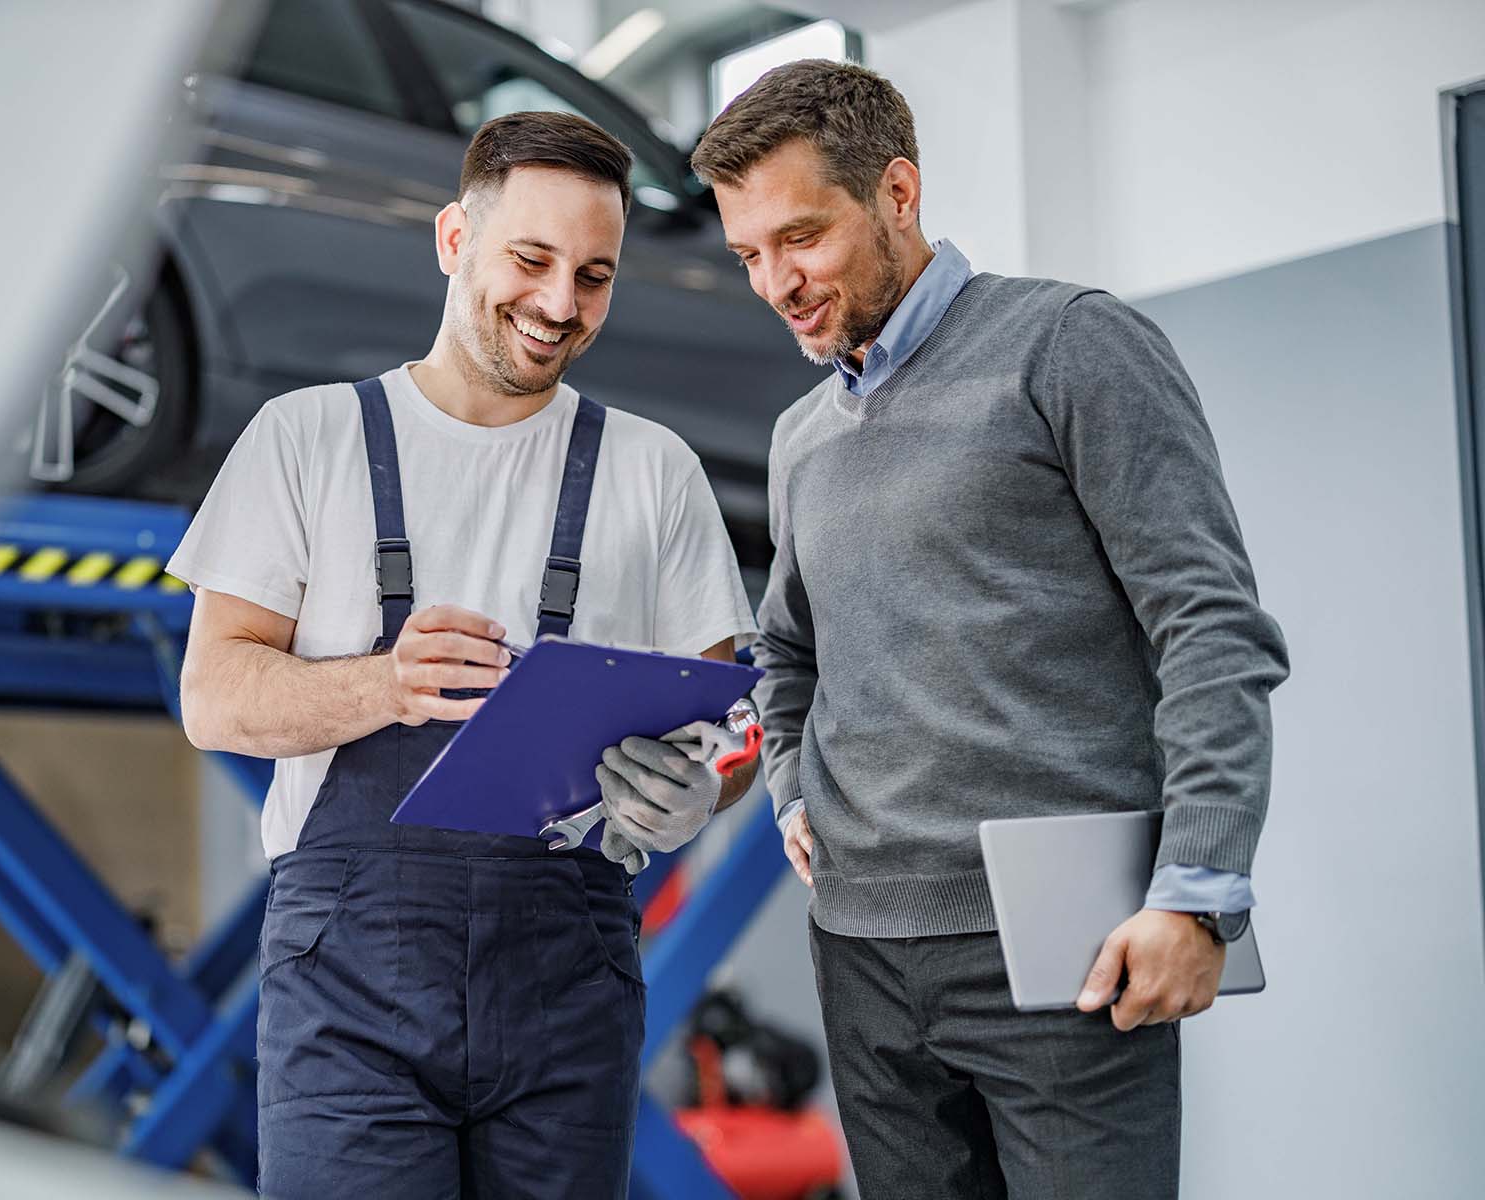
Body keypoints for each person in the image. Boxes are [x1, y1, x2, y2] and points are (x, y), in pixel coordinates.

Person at [690, 60, 1291, 1199]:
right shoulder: (798, 437)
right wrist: (787, 789)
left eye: (799, 238)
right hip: (861, 953)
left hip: (1064, 944)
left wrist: (1197, 886)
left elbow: (1208, 624)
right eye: (747, 255)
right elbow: (787, 655)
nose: (774, 282)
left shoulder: (1067, 345)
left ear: (897, 194)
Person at [170, 110, 758, 1200]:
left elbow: (724, 729)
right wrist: (381, 683)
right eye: (530, 261)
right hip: (350, 987)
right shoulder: (306, 441)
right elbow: (211, 696)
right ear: (452, 239)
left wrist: (695, 794)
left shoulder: (654, 471)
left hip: (565, 985)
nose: (557, 305)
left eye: (593, 276)